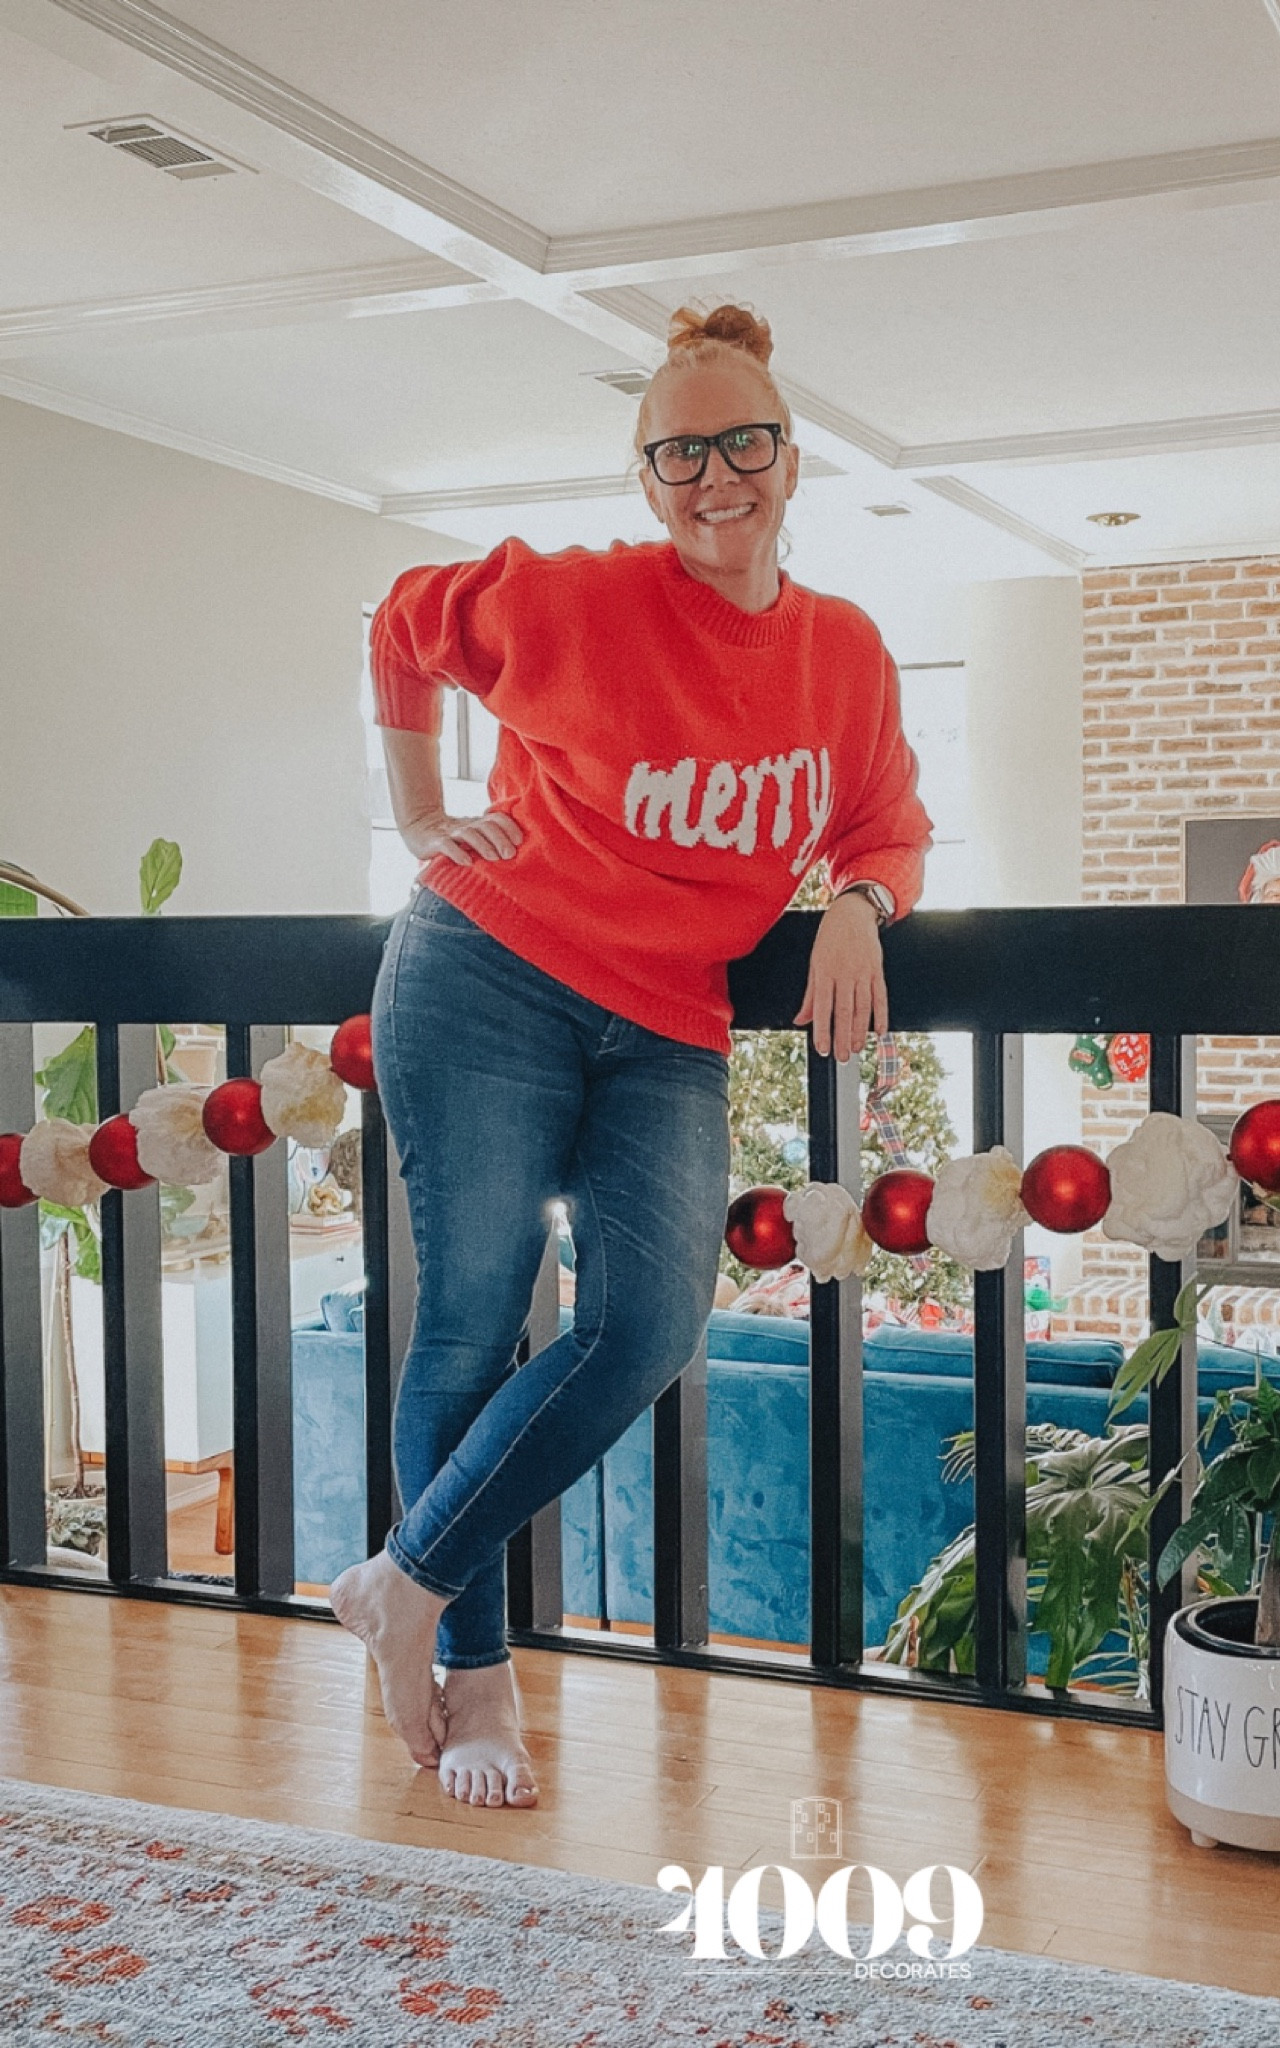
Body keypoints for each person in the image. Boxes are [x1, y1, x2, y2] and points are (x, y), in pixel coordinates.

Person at [330, 304, 933, 1810]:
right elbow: (402, 621)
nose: (714, 475)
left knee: (652, 1323)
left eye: (742, 442)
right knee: (470, 1324)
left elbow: (886, 819)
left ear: (791, 456)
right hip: (486, 975)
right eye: (680, 452)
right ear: (648, 474)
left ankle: (401, 1580)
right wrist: (415, 816)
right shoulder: (579, 602)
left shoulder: (844, 655)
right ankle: (475, 1679)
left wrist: (859, 900)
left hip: (668, 1018)